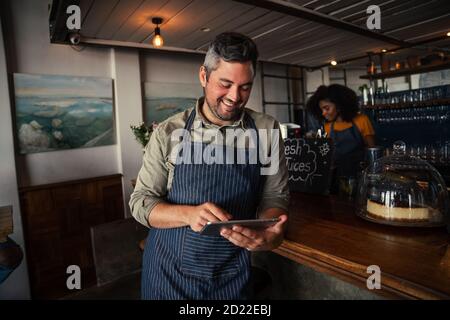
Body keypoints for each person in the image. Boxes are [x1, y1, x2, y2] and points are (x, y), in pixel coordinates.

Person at [129, 32, 289, 300]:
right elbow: (141, 203)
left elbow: (275, 196)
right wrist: (189, 215)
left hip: (231, 275)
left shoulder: (266, 129)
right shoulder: (169, 132)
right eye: (225, 84)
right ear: (203, 76)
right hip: (169, 275)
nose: (234, 97)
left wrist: (269, 232)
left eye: (245, 86)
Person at [306, 84, 375, 180]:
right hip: (337, 178)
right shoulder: (327, 127)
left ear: (339, 106)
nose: (323, 113)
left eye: (326, 108)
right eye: (321, 109)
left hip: (360, 176)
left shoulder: (361, 121)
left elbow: (373, 152)